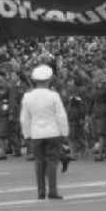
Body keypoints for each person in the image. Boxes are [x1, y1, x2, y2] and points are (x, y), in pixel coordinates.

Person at [19, 64, 68, 200]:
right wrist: (64, 133)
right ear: (49, 80)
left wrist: (26, 134)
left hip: (36, 133)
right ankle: (53, 191)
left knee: (39, 162)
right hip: (53, 132)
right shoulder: (54, 95)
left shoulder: (27, 96)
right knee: (52, 162)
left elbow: (24, 118)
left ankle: (41, 192)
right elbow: (61, 116)